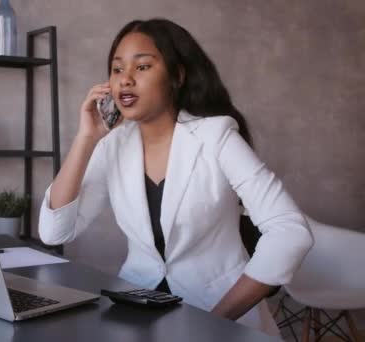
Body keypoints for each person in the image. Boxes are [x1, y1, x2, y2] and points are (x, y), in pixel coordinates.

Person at [38, 18, 314, 335]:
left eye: (142, 67)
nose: (125, 79)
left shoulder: (216, 135)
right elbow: (55, 232)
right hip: (138, 313)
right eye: (117, 69)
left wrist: (215, 319)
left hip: (219, 314)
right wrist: (86, 138)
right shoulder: (112, 143)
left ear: (177, 76)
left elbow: (290, 232)